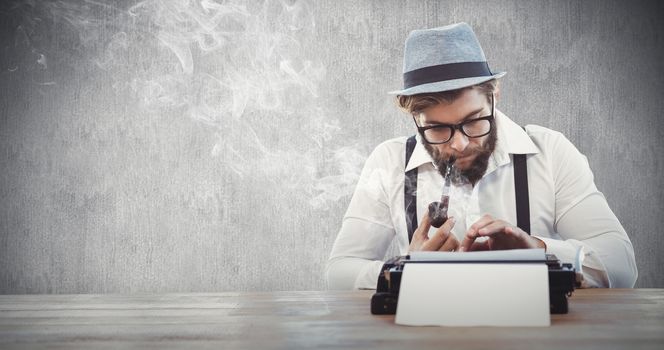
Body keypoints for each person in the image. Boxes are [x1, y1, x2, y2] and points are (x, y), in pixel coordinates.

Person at [326, 22, 637, 290]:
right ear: (414, 118)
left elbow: (622, 266)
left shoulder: (551, 152)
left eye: (474, 121)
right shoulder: (389, 162)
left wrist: (539, 251)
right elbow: (339, 271)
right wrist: (402, 270)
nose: (459, 144)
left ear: (494, 94)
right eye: (436, 128)